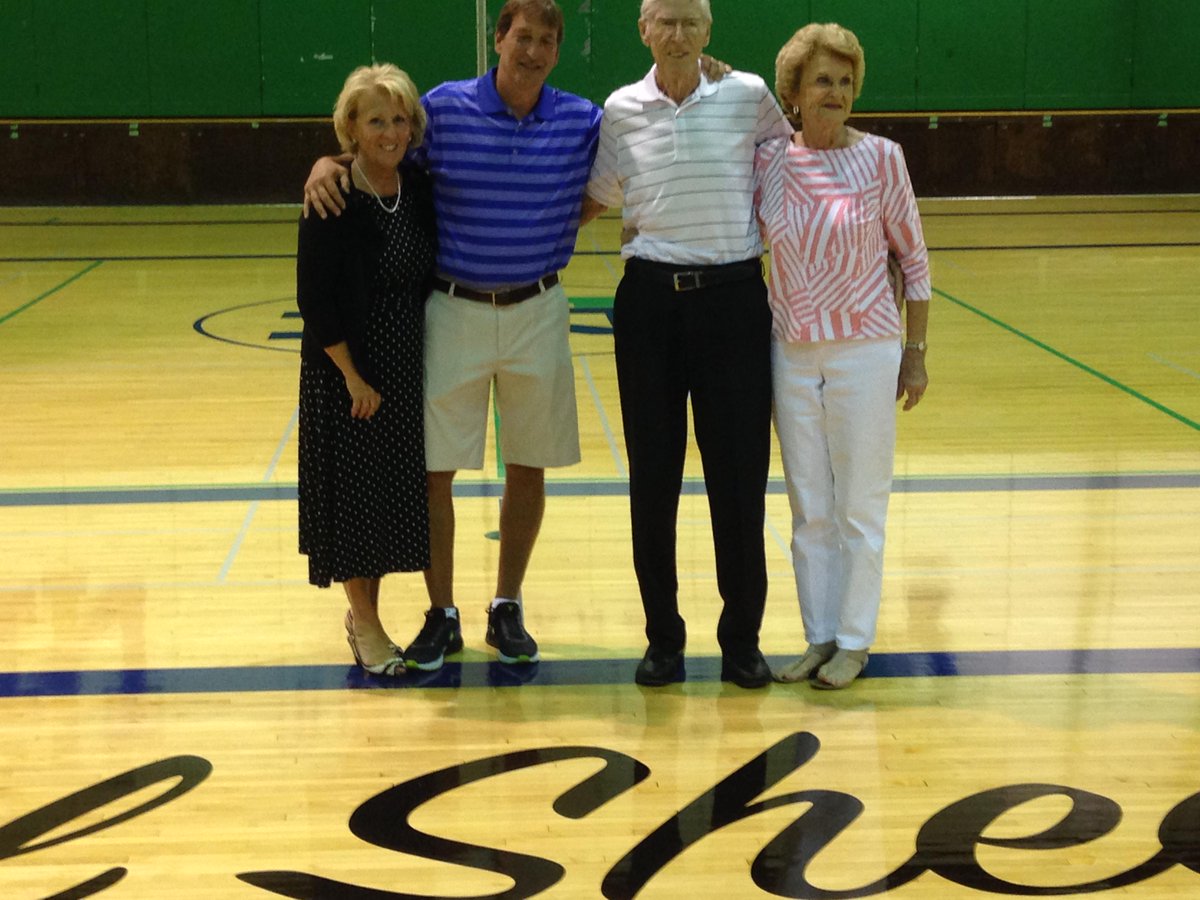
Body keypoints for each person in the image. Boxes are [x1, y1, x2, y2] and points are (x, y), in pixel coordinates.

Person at [304, 0, 603, 669]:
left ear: (558, 51)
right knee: (433, 471)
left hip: (539, 308)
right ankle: (442, 613)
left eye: (547, 41)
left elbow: (614, 179)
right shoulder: (443, 108)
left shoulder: (584, 121)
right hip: (454, 308)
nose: (532, 51)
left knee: (528, 463)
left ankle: (507, 605)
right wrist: (324, 164)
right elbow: (381, 147)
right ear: (498, 40)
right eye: (522, 37)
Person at [583, 0, 793, 688]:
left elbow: (799, 162)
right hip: (649, 306)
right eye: (665, 21)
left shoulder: (748, 95)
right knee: (654, 477)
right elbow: (600, 195)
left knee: (739, 479)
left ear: (709, 33)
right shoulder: (619, 110)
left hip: (733, 301)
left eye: (691, 23)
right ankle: (663, 641)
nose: (678, 35)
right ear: (643, 30)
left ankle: (742, 643)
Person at [755, 23, 931, 689]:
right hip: (791, 352)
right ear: (794, 92)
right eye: (822, 80)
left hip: (866, 349)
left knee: (860, 504)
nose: (836, 93)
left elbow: (914, 262)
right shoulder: (770, 160)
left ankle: (855, 640)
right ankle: (818, 635)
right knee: (810, 508)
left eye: (846, 82)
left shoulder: (883, 159)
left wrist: (914, 352)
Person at [296, 64, 437, 676]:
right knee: (354, 504)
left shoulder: (418, 187)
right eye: (375, 119)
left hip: (403, 368)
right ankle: (369, 627)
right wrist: (353, 377)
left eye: (399, 118)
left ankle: (365, 619)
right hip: (347, 375)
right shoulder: (331, 195)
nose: (390, 131)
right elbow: (314, 299)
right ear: (350, 127)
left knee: (381, 504)